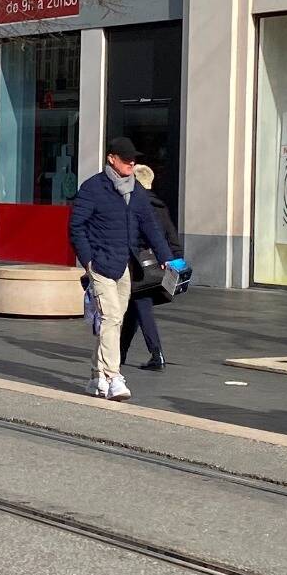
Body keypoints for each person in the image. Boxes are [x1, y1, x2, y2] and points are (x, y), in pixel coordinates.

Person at [68, 137, 173, 402]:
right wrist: (88, 260)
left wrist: (166, 257)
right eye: (126, 159)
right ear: (111, 159)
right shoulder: (93, 188)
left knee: (112, 320)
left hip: (126, 265)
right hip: (101, 264)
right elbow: (76, 226)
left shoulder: (135, 190)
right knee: (112, 317)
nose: (131, 163)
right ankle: (114, 377)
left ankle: (96, 376)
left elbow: (149, 224)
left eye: (133, 159)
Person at [119, 163, 185, 371]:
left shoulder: (134, 205)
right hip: (158, 266)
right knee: (134, 309)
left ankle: (156, 354)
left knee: (141, 305)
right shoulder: (161, 206)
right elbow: (172, 237)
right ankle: (120, 354)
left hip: (138, 266)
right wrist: (176, 261)